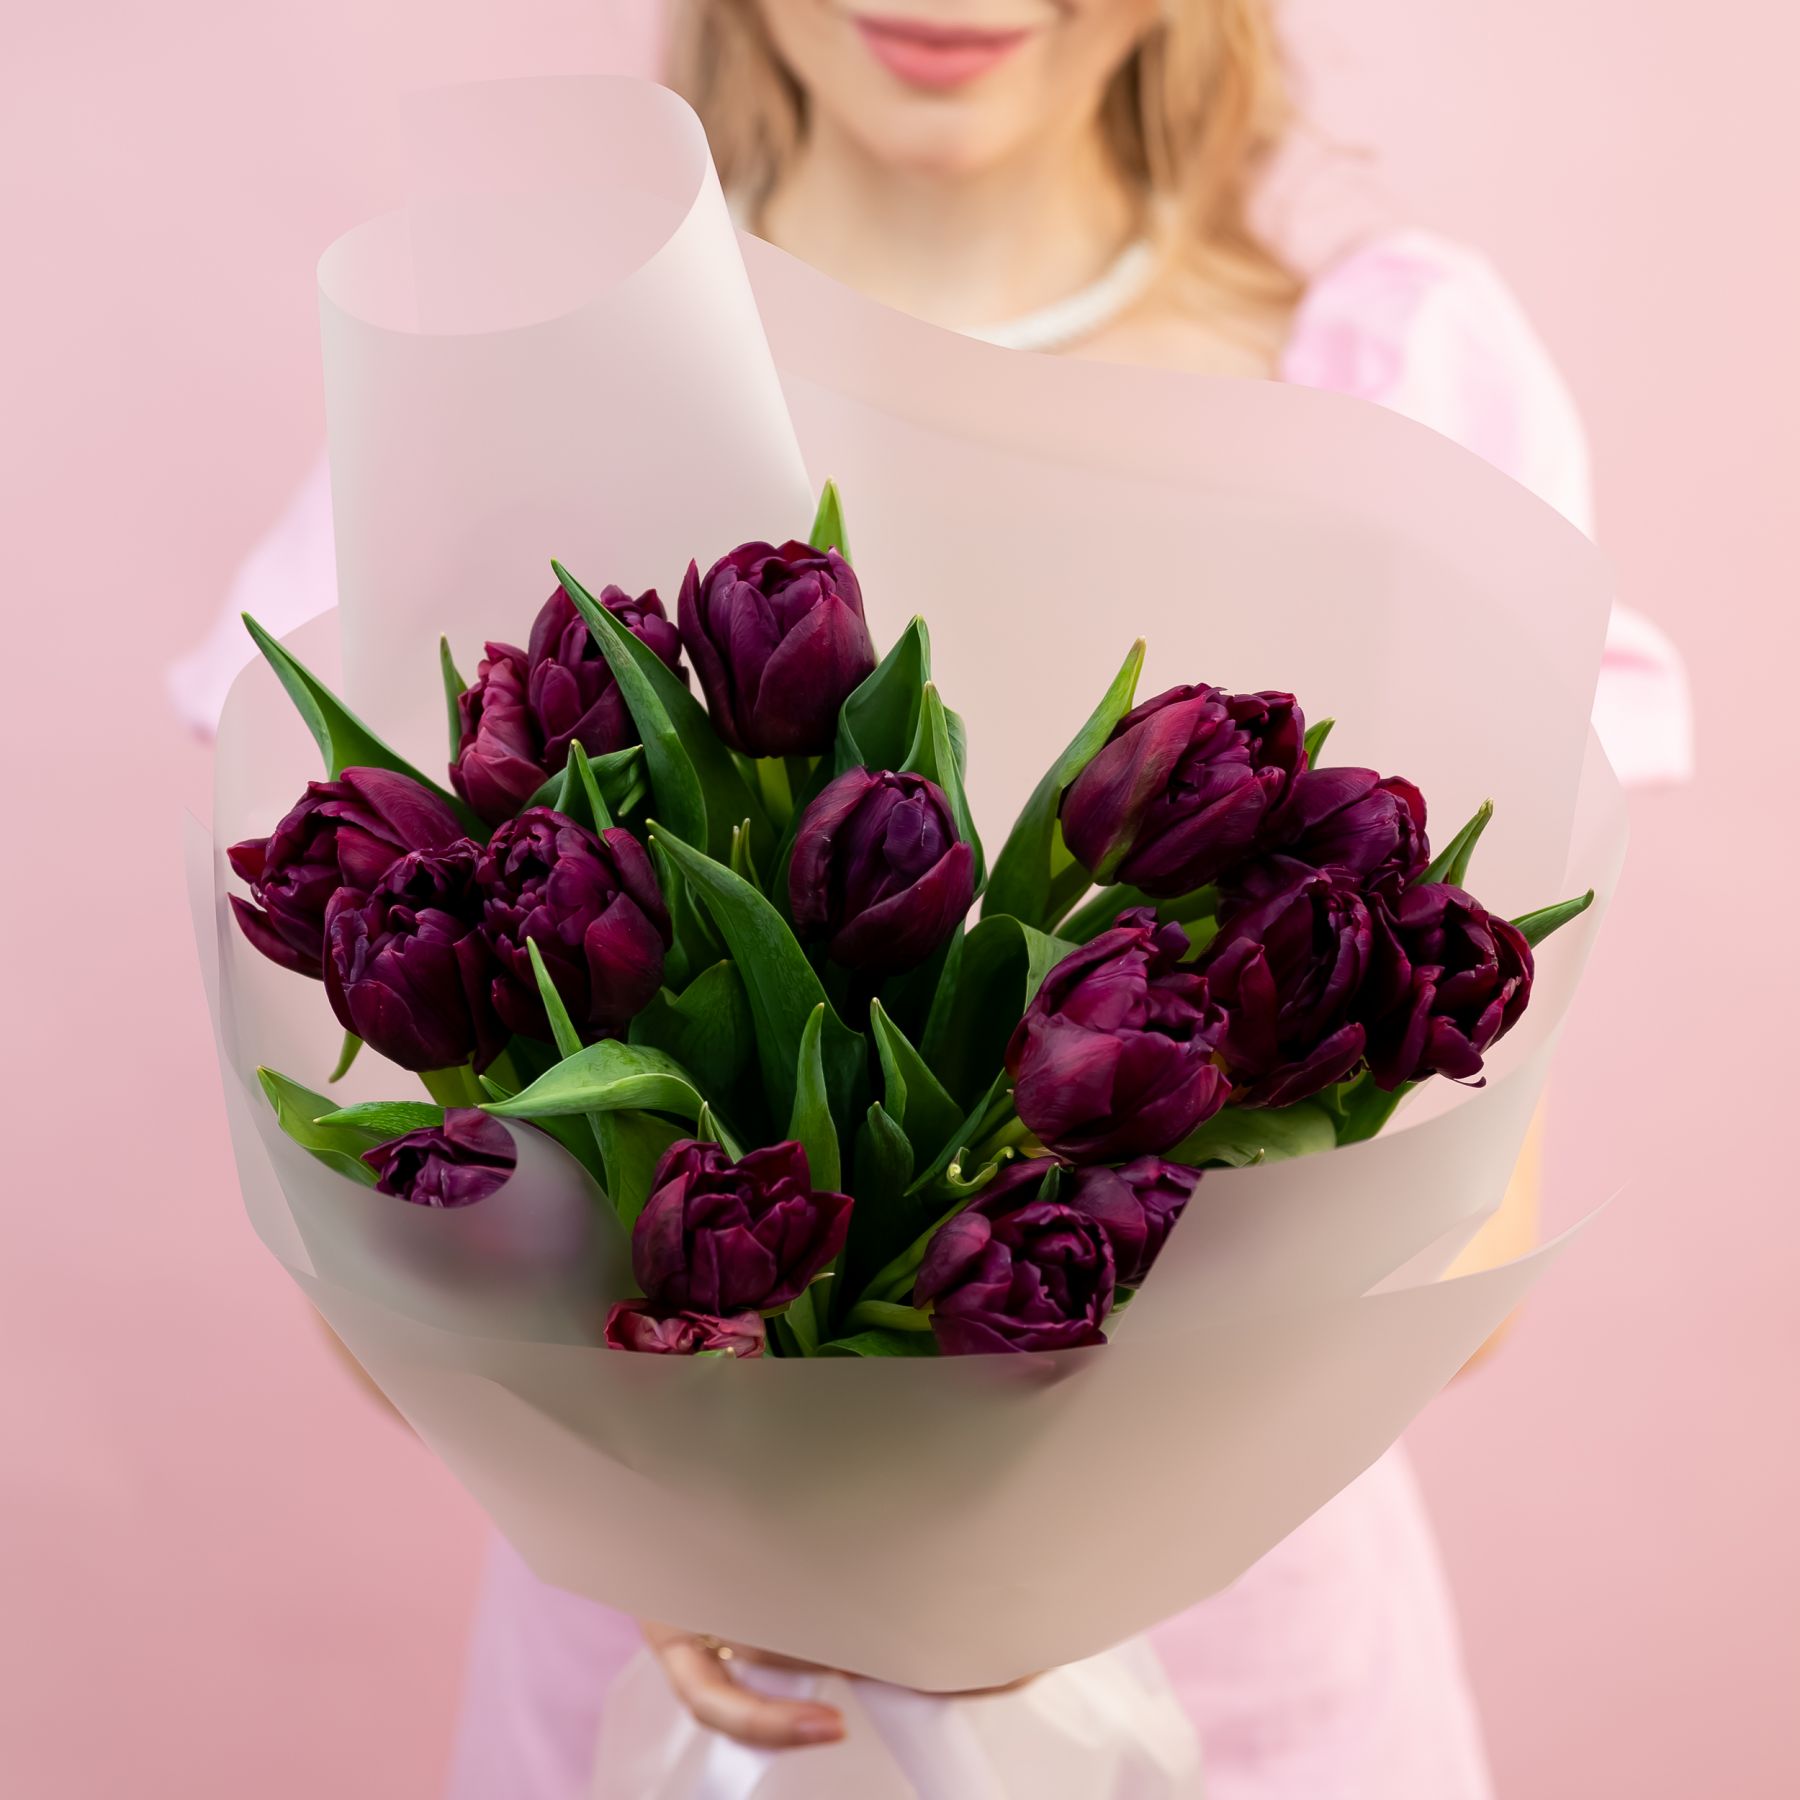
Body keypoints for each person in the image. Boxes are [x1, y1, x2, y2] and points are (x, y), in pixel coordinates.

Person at [171, 4, 1692, 1795]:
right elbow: (372, 1244)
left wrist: (1036, 1556)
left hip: (1238, 1691)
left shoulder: (1402, 380)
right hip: (646, 1679)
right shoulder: (510, 369)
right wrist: (686, 1516)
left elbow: (1473, 1250)